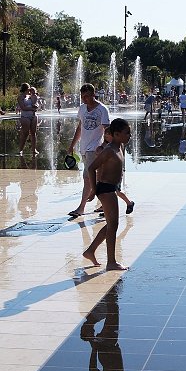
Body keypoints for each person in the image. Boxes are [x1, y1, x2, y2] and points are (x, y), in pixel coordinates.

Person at [82, 118, 131, 271]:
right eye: (126, 133)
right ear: (116, 134)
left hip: (112, 188)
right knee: (113, 225)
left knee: (111, 225)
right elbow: (92, 168)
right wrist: (94, 190)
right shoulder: (109, 150)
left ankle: (90, 251)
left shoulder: (120, 147)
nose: (129, 136)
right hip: (105, 189)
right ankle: (111, 262)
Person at [68, 83, 110, 218]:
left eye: (87, 96)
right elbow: (80, 127)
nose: (84, 99)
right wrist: (72, 145)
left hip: (95, 148)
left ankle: (81, 208)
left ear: (93, 94)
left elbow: (107, 130)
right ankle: (105, 204)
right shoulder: (82, 109)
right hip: (84, 148)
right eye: (82, 96)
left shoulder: (102, 109)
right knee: (97, 179)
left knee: (87, 178)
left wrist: (103, 145)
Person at [95, 127, 135, 215]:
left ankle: (129, 203)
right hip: (107, 175)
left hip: (115, 175)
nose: (105, 136)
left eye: (108, 135)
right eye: (105, 135)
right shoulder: (107, 145)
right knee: (109, 192)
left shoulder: (116, 146)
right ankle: (105, 208)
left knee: (116, 192)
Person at [17, 83, 39, 155]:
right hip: (25, 116)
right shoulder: (21, 97)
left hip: (33, 115)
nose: (30, 89)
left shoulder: (31, 96)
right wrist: (32, 108)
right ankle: (21, 149)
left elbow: (36, 103)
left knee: (33, 133)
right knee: (25, 133)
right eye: (29, 88)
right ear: (26, 88)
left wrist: (36, 106)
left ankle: (34, 149)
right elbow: (23, 107)